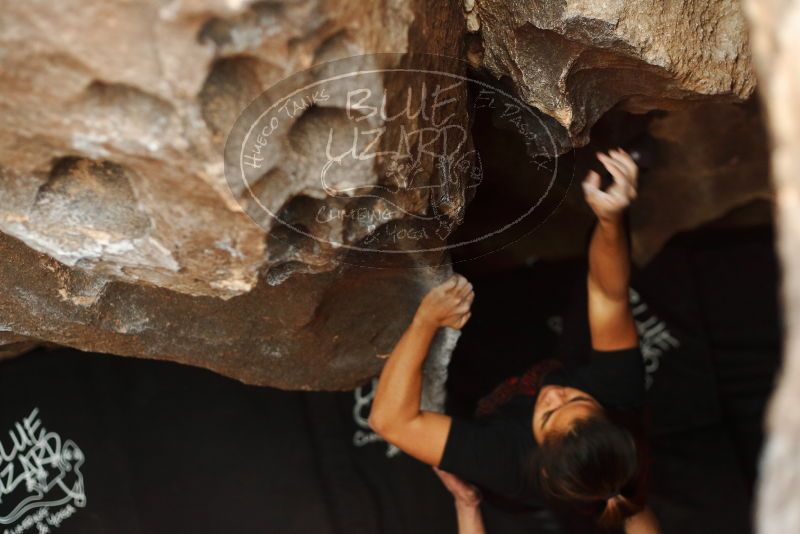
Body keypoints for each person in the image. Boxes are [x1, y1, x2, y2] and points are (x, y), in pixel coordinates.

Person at [369, 148, 659, 533]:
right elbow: (609, 295)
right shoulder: (620, 394)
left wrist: (426, 320)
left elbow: (389, 420)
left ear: (540, 452)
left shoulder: (507, 462)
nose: (554, 395)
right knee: (591, 288)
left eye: (549, 416)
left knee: (462, 360)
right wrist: (610, 219)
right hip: (561, 358)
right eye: (576, 399)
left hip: (487, 400)